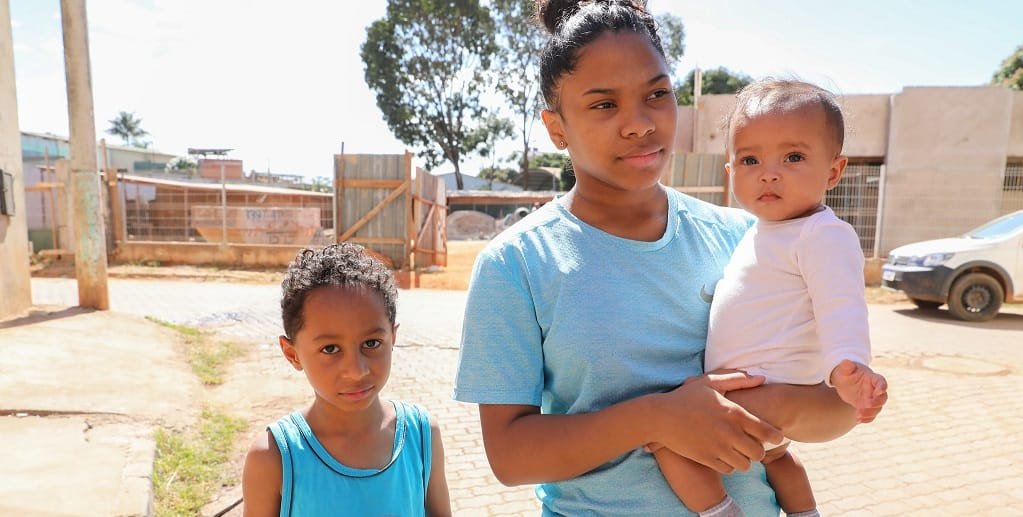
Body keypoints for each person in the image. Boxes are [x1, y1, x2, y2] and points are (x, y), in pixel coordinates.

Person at [454, 1, 886, 515]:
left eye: (656, 94)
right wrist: (656, 418)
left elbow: (835, 409)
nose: (639, 124)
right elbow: (510, 456)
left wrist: (784, 408)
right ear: (555, 126)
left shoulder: (748, 237)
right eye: (603, 104)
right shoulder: (518, 263)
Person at [653, 79, 889, 517]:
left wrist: (847, 369)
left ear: (834, 172)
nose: (768, 172)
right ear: (730, 172)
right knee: (778, 458)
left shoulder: (823, 234)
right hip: (760, 392)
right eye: (750, 159)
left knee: (669, 439)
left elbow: (842, 306)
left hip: (770, 390)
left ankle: (721, 512)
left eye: (793, 157)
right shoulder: (760, 231)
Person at [242, 243, 451, 517]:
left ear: (393, 338)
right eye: (330, 349)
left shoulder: (421, 435)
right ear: (292, 354)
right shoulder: (275, 459)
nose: (357, 371)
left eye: (372, 343)